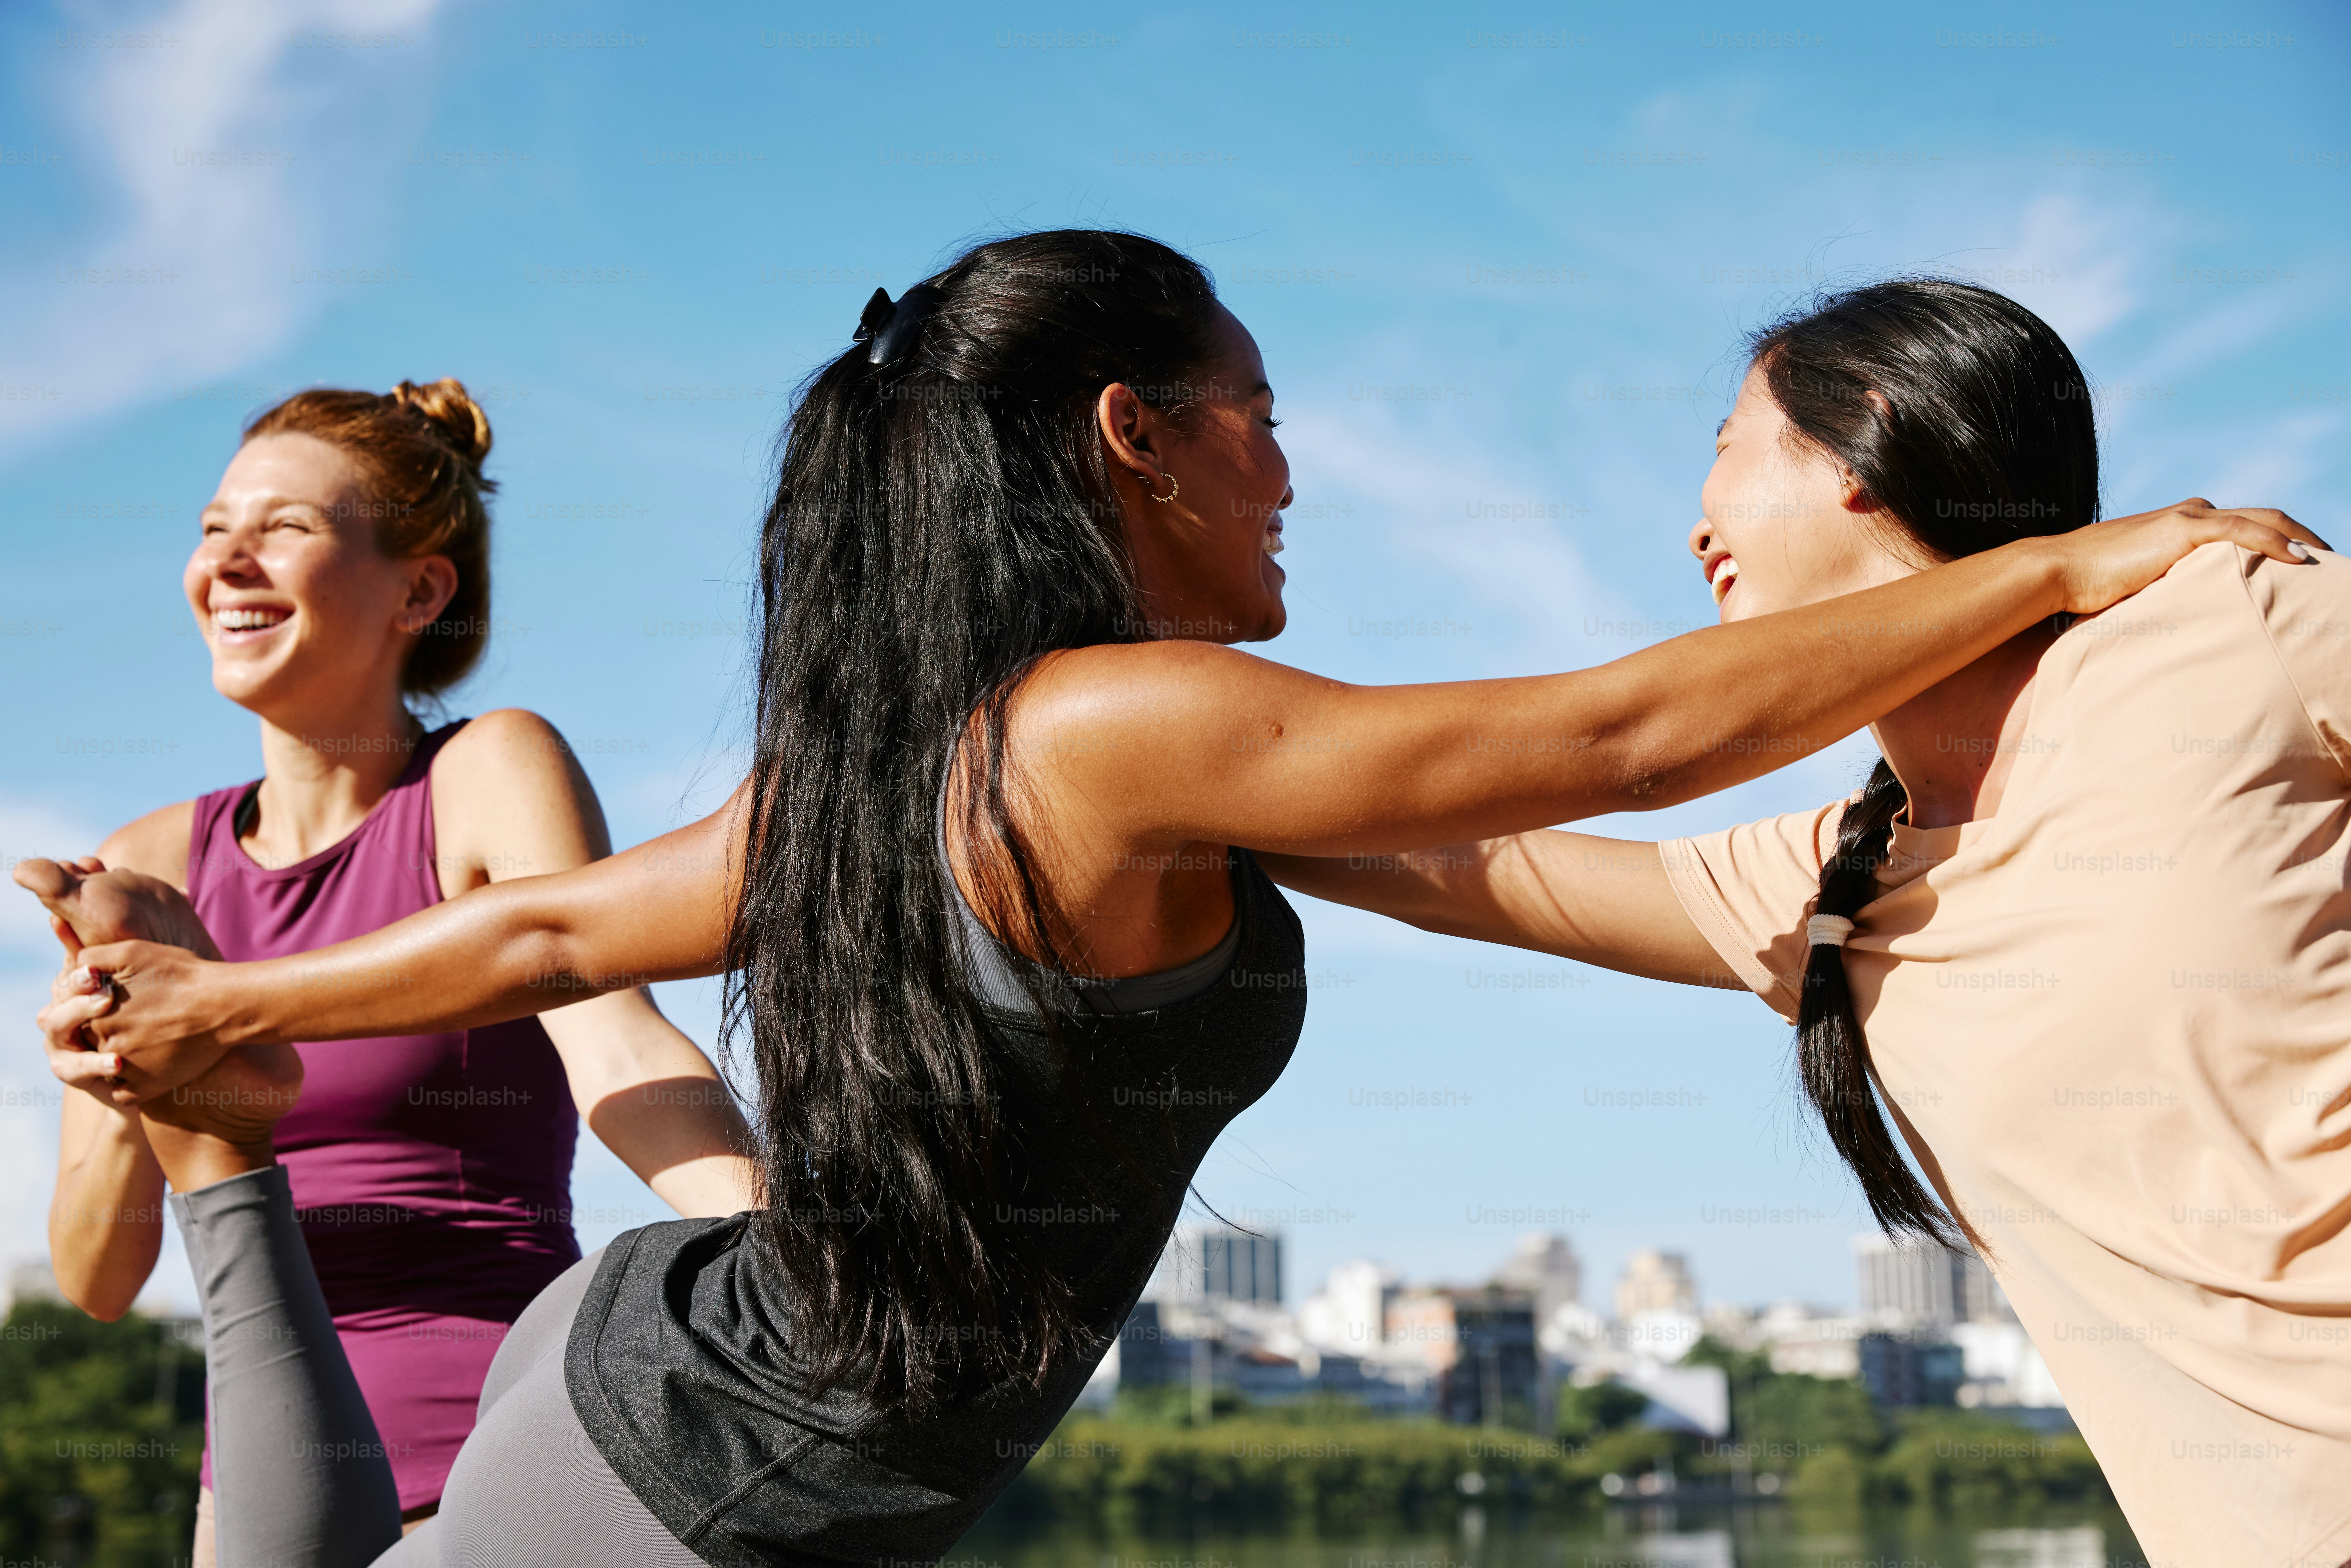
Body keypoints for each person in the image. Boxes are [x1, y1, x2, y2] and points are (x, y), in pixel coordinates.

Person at [25, 233, 2314, 1566]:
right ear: (1134, 434)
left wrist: (249, 981)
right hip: (690, 1458)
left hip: (697, 1404)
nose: (1291, 459)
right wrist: (2061, 555)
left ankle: (220, 1142)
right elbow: (1620, 733)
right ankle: (224, 1162)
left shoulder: (978, 747)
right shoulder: (1122, 722)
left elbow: (545, 939)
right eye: (1260, 409)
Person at [1264, 280, 2350, 1568]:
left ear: (1860, 444)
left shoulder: (2234, 623)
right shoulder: (1835, 877)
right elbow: (1460, 863)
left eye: (1725, 450)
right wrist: (1135, 779)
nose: (1694, 527)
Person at [32, 378, 754, 1549]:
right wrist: (120, 1081)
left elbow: (618, 1043)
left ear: (420, 588)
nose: (231, 561)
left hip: (501, 1461)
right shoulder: (148, 863)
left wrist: (798, 1263)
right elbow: (100, 1282)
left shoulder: (483, 776)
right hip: (263, 1490)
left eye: (287, 529)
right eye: (215, 529)